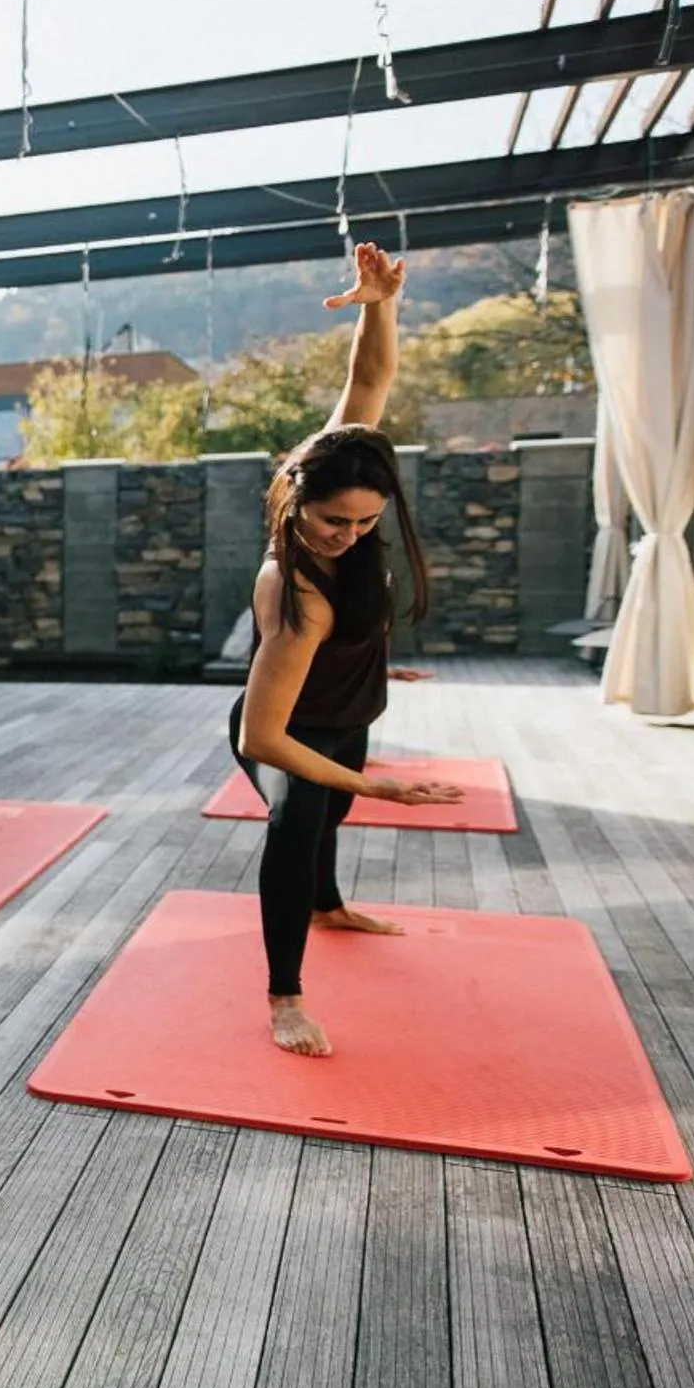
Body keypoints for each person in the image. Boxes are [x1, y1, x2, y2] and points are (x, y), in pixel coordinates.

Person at [231, 241, 461, 1058]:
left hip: (348, 706)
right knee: (296, 818)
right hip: (287, 724)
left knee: (332, 812)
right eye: (335, 521)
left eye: (366, 522)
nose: (350, 534)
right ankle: (283, 994)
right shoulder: (293, 591)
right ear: (296, 499)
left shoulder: (338, 473)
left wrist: (380, 304)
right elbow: (263, 736)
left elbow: (365, 390)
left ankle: (328, 906)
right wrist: (385, 787)